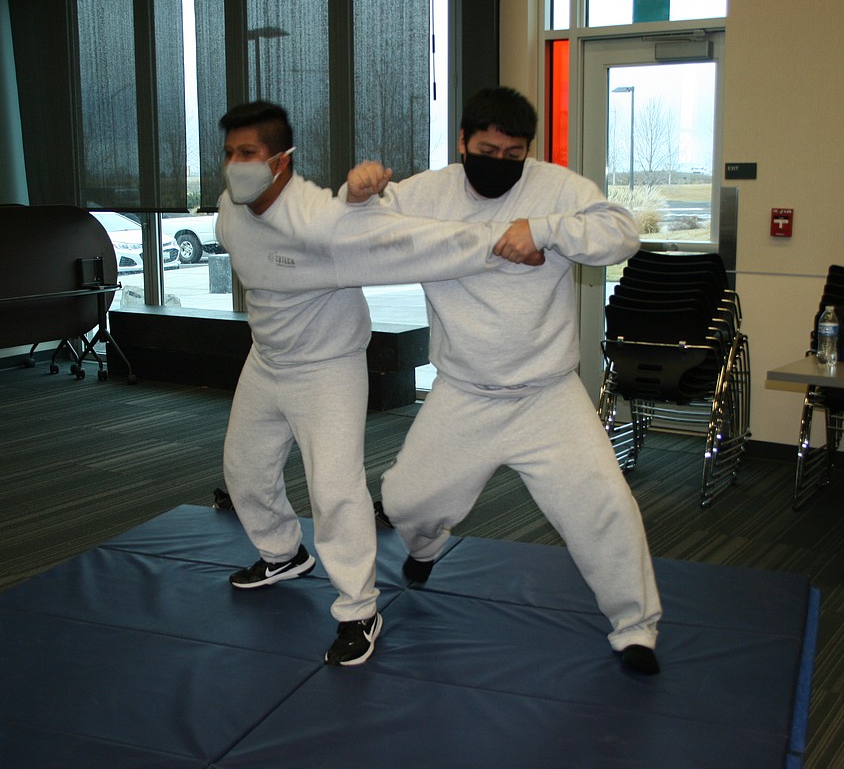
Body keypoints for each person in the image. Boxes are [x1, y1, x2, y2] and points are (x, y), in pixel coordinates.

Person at [346, 86, 664, 675]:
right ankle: (428, 546)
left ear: (528, 151)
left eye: (513, 152)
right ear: (462, 142)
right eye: (486, 148)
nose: (500, 160)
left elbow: (622, 233)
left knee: (604, 508)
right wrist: (356, 190)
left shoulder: (558, 188)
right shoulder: (427, 192)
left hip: (548, 396)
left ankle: (636, 627)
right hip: (463, 393)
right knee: (406, 503)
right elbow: (351, 228)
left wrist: (542, 229)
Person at [215, 101, 542, 667]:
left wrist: (498, 240)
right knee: (243, 471)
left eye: (248, 153)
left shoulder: (325, 226)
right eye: (229, 153)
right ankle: (281, 553)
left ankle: (360, 609)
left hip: (327, 368)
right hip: (266, 361)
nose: (235, 164)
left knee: (336, 492)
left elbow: (417, 242)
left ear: (280, 161)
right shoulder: (228, 209)